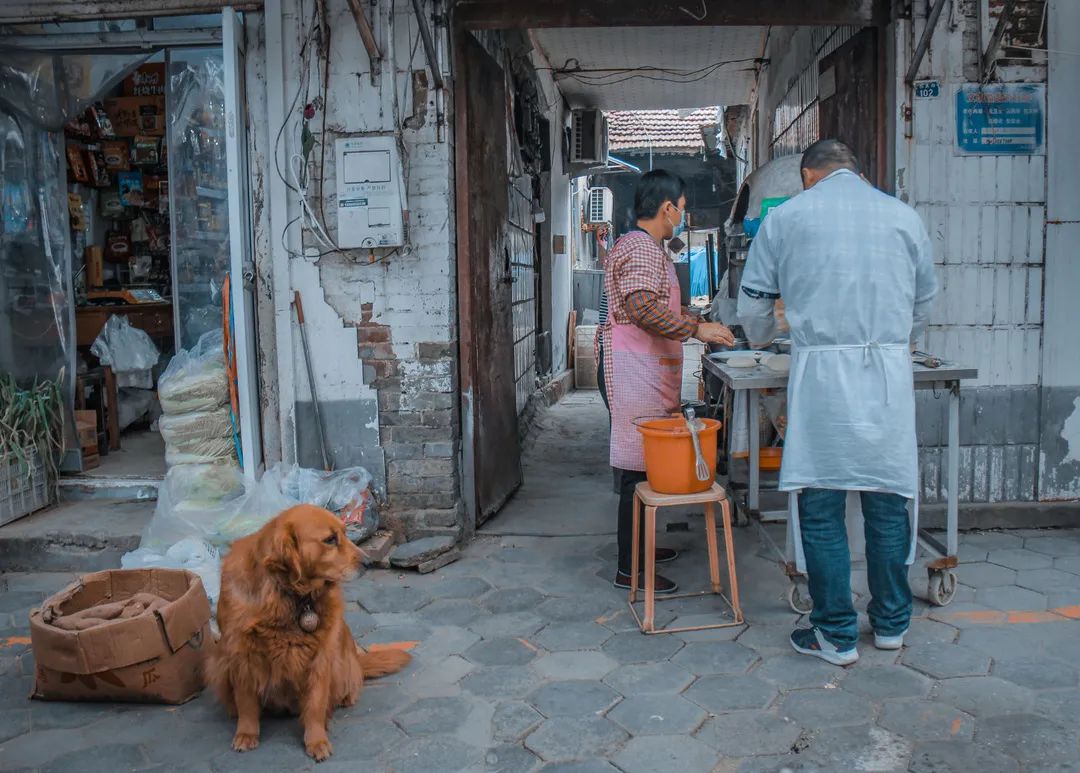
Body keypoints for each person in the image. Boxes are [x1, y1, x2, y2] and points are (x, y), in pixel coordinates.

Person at [737, 139, 938, 665]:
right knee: (887, 501)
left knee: (822, 508)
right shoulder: (902, 217)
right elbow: (924, 303)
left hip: (823, 377)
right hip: (886, 377)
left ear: (808, 176)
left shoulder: (789, 219)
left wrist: (762, 339)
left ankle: (835, 633)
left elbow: (754, 300)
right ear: (856, 170)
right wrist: (895, 342)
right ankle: (892, 625)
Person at [599, 169, 735, 593]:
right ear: (667, 208)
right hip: (632, 370)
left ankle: (639, 547)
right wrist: (698, 332)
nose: (684, 213)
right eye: (682, 206)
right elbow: (641, 307)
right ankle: (629, 568)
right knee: (634, 471)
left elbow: (656, 307)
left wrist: (694, 320)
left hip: (644, 369)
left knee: (645, 465)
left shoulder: (649, 247)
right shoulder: (640, 248)